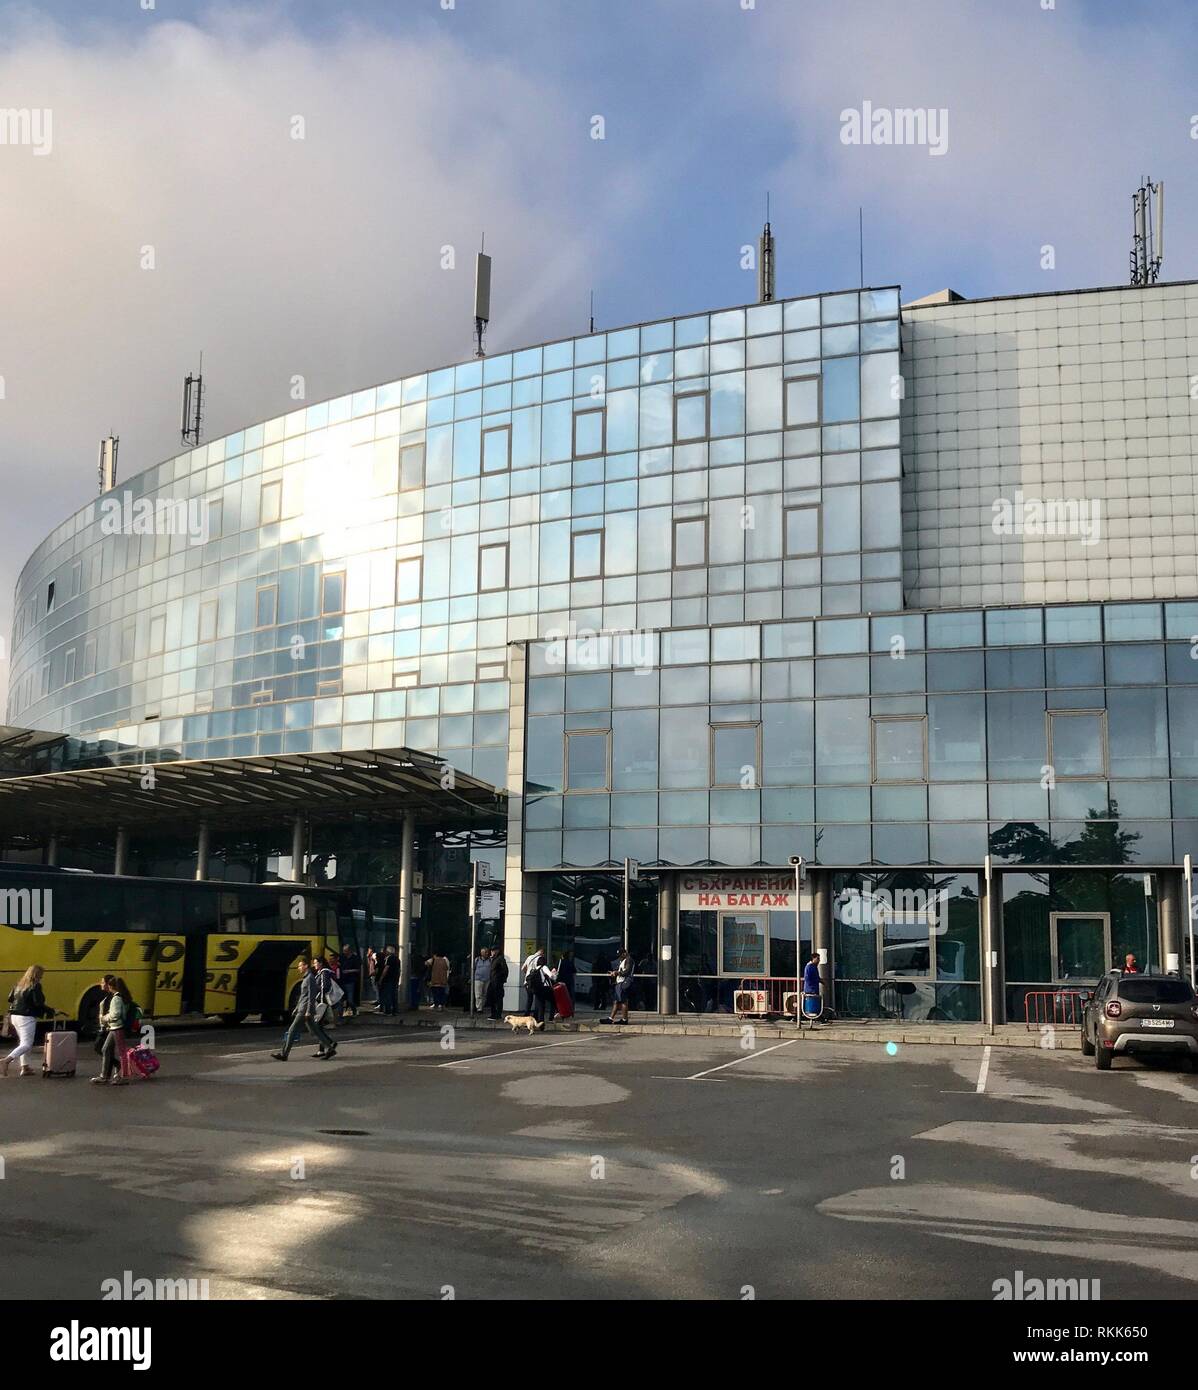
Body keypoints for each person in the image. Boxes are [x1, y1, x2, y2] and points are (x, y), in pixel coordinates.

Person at [272, 957, 337, 1061]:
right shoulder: (306, 978)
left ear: (306, 966)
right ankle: (330, 1047)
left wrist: (307, 1011)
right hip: (303, 1008)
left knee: (292, 1030)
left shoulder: (310, 978)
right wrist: (296, 1008)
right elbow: (303, 996)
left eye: (300, 965)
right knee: (315, 1031)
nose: (299, 968)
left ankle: (284, 1054)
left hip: (305, 1010)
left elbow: (311, 996)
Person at [3, 964, 53, 1078]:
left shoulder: (19, 984)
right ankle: (6, 1060)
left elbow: (10, 998)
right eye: (41, 975)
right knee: (27, 1044)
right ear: (37, 975)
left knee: (22, 1042)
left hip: (14, 1016)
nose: (42, 978)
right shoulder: (35, 986)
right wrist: (51, 1010)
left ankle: (24, 1067)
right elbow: (38, 1003)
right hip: (26, 1017)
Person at [92, 974, 130, 1085]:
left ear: (112, 986)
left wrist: (104, 1018)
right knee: (105, 1049)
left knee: (122, 1052)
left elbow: (115, 1015)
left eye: (107, 984)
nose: (106, 986)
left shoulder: (116, 998)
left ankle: (124, 1076)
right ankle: (104, 1076)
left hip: (117, 1028)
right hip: (114, 1028)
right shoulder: (117, 997)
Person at [602, 948, 635, 1025]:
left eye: (620, 955)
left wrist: (617, 973)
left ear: (624, 953)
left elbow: (627, 971)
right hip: (620, 982)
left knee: (623, 1001)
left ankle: (624, 1019)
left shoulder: (628, 960)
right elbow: (621, 970)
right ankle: (611, 1018)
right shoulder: (623, 960)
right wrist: (614, 972)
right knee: (616, 1001)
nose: (619, 957)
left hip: (624, 982)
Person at [527, 950, 556, 1027]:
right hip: (545, 989)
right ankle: (551, 1017)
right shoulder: (544, 967)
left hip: (537, 989)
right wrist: (554, 972)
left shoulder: (535, 968)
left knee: (540, 1006)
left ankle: (540, 1022)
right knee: (553, 1001)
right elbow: (551, 976)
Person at [376, 944, 400, 1016]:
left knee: (387, 995)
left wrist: (381, 979)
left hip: (388, 979)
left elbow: (386, 969)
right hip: (395, 979)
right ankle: (395, 1010)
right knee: (394, 995)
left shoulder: (389, 959)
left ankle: (388, 1011)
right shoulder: (397, 959)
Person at [339, 944, 362, 1016]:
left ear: (349, 951)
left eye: (345, 951)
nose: (344, 952)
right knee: (340, 999)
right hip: (342, 980)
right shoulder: (342, 957)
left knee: (350, 1000)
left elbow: (358, 969)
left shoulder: (355, 958)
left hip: (350, 981)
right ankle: (340, 1014)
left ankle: (354, 1010)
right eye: (343, 951)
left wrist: (348, 971)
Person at [486, 950, 508, 1019]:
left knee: (498, 998)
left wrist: (502, 979)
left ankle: (498, 1014)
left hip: (497, 982)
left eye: (493, 951)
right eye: (491, 951)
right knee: (490, 997)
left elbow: (505, 970)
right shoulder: (494, 959)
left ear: (497, 951)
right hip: (492, 981)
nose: (492, 953)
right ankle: (493, 1013)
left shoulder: (500, 959)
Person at [802, 953, 823, 1020]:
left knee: (813, 1003)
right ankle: (819, 1018)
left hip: (813, 988)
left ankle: (819, 1018)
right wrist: (812, 987)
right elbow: (808, 978)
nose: (819, 960)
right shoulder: (810, 967)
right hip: (811, 989)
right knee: (813, 1004)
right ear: (813, 959)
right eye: (817, 958)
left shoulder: (813, 966)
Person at [472, 948, 491, 1015]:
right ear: (481, 953)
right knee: (478, 994)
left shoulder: (490, 960)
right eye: (484, 952)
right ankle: (479, 1008)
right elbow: (473, 969)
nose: (486, 953)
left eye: (487, 952)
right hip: (478, 979)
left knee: (484, 994)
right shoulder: (476, 960)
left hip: (487, 979)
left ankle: (482, 1006)